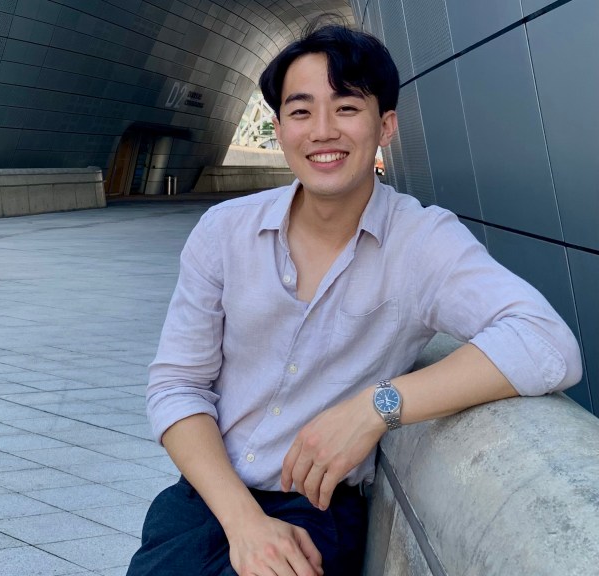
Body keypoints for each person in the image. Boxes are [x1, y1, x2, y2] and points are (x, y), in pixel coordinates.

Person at [127, 21, 582, 576]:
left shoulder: (422, 240)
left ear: (385, 125)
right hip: (205, 498)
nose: (322, 131)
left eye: (346, 108)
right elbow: (177, 387)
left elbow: (546, 341)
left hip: (317, 508)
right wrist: (244, 523)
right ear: (279, 128)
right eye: (301, 111)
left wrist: (377, 407)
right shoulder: (224, 231)